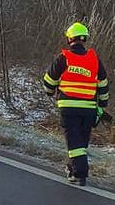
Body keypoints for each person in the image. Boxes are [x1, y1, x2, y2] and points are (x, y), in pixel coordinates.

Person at [42, 22, 110, 186]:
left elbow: (49, 80)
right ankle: (72, 169)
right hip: (89, 109)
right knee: (81, 141)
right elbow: (103, 84)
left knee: (73, 141)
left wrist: (50, 92)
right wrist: (102, 105)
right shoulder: (94, 59)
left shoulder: (64, 58)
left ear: (69, 39)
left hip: (69, 107)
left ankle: (80, 173)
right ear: (84, 39)